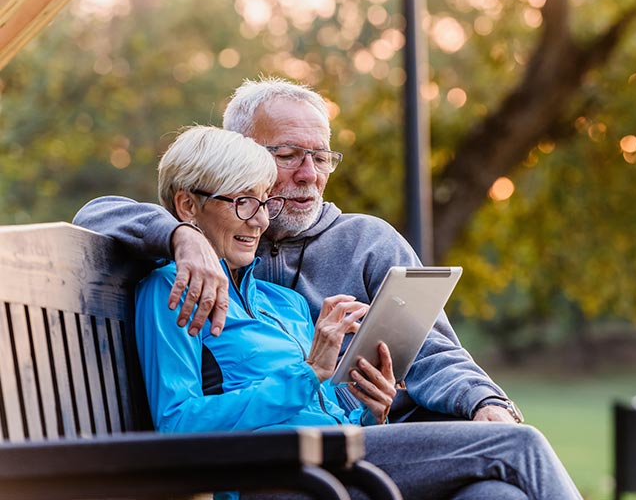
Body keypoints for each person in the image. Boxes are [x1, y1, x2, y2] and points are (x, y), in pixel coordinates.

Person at [136, 124, 582, 500]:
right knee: (516, 445)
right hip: (278, 474)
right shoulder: (169, 291)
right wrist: (308, 372)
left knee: (496, 496)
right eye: (242, 203)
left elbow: (330, 409)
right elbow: (178, 425)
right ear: (188, 206)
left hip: (338, 461)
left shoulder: (283, 302)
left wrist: (372, 409)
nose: (259, 221)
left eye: (262, 203)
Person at [74, 77, 519, 424]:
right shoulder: (210, 234)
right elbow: (98, 214)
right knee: (510, 460)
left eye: (321, 157)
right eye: (288, 155)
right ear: (243, 159)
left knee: (498, 481)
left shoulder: (366, 242)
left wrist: (484, 403)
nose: (309, 174)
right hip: (295, 464)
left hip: (384, 433)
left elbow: (433, 351)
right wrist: (181, 236)